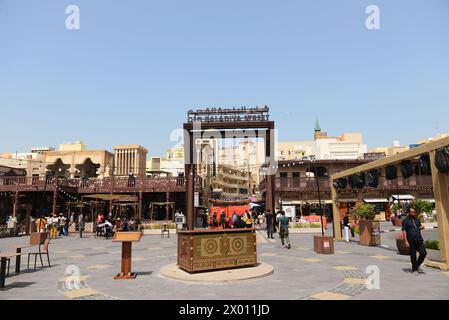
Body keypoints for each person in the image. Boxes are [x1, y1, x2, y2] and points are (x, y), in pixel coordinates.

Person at [402, 208, 427, 274]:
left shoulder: (417, 219)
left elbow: (419, 226)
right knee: (413, 255)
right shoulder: (405, 221)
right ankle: (415, 269)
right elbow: (404, 231)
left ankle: (417, 266)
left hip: (419, 239)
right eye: (412, 212)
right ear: (409, 213)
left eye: (414, 212)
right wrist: (406, 241)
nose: (414, 213)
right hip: (411, 240)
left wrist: (421, 227)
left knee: (423, 253)